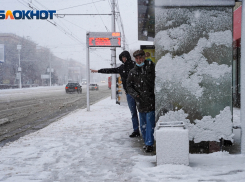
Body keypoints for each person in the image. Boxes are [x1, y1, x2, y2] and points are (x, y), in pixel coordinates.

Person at [90, 51, 140, 138]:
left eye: (125, 57)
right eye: (122, 57)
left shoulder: (135, 65)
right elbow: (111, 70)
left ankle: (144, 130)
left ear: (128, 57)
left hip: (139, 93)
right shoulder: (122, 67)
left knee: (142, 112)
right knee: (134, 113)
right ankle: (136, 130)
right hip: (129, 93)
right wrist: (98, 71)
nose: (124, 59)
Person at [126, 50, 155, 152]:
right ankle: (147, 142)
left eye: (141, 58)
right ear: (135, 59)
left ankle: (149, 144)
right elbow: (128, 86)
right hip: (140, 102)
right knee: (143, 125)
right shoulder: (133, 72)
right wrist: (136, 95)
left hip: (151, 100)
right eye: (137, 58)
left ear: (144, 57)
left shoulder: (151, 67)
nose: (139, 60)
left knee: (150, 123)